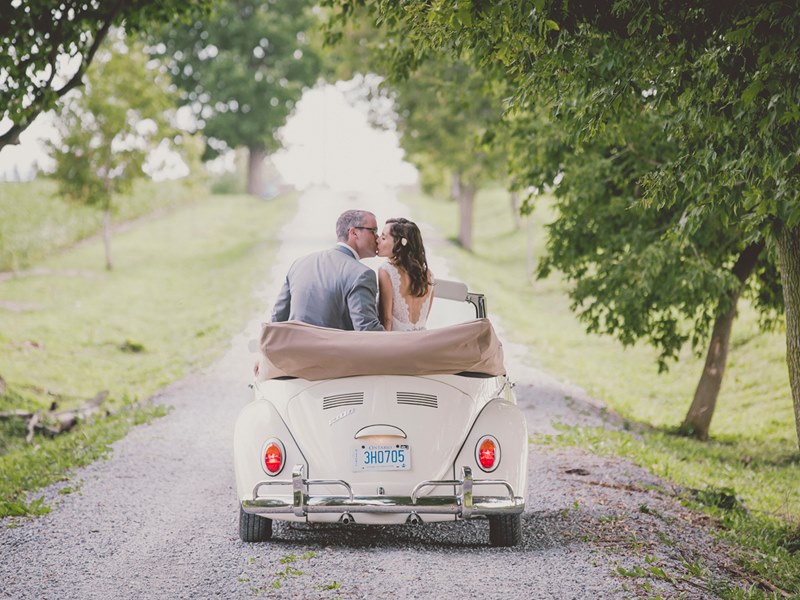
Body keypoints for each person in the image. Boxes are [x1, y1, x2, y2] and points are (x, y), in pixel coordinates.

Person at [269, 209, 385, 331]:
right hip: (333, 350)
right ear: (354, 232)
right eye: (374, 231)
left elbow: (277, 319)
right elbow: (368, 332)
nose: (377, 238)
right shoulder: (361, 275)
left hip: (294, 349)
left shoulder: (299, 263)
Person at [376, 217, 435, 331]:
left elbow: (387, 319)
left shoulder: (386, 270)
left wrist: (383, 345)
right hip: (421, 341)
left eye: (383, 238)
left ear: (399, 244)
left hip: (397, 343)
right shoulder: (428, 275)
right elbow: (425, 318)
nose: (377, 240)